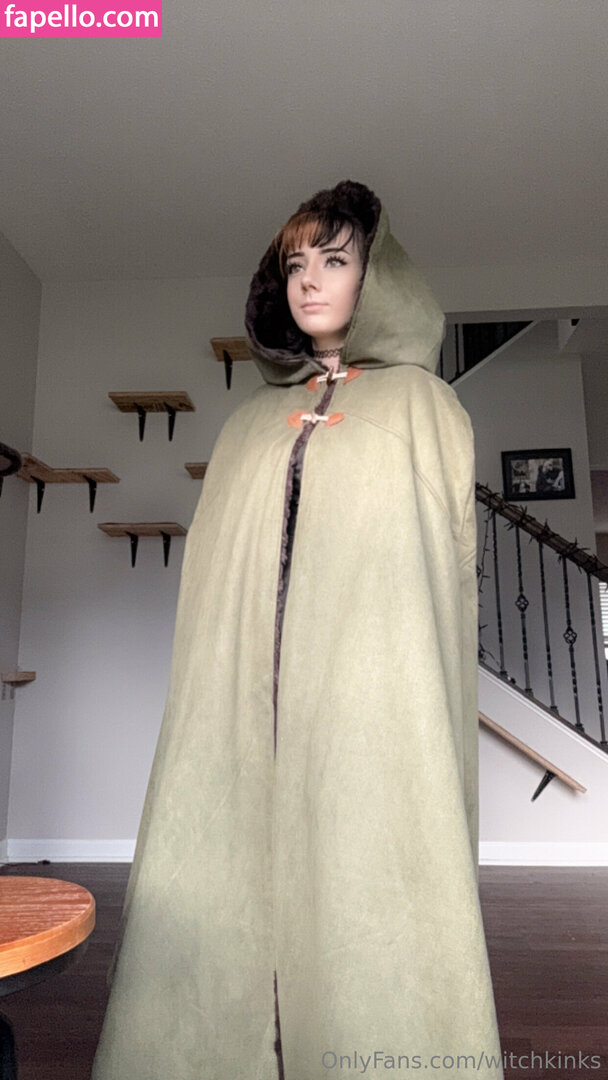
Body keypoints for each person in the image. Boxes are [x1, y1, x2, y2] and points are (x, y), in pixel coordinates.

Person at [91, 180, 504, 1080]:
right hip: (245, 693)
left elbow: (426, 579)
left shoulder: (425, 409)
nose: (310, 280)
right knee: (222, 881)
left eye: (335, 259)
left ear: (377, 278)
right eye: (294, 264)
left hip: (363, 694)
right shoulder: (248, 424)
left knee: (364, 885)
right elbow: (219, 583)